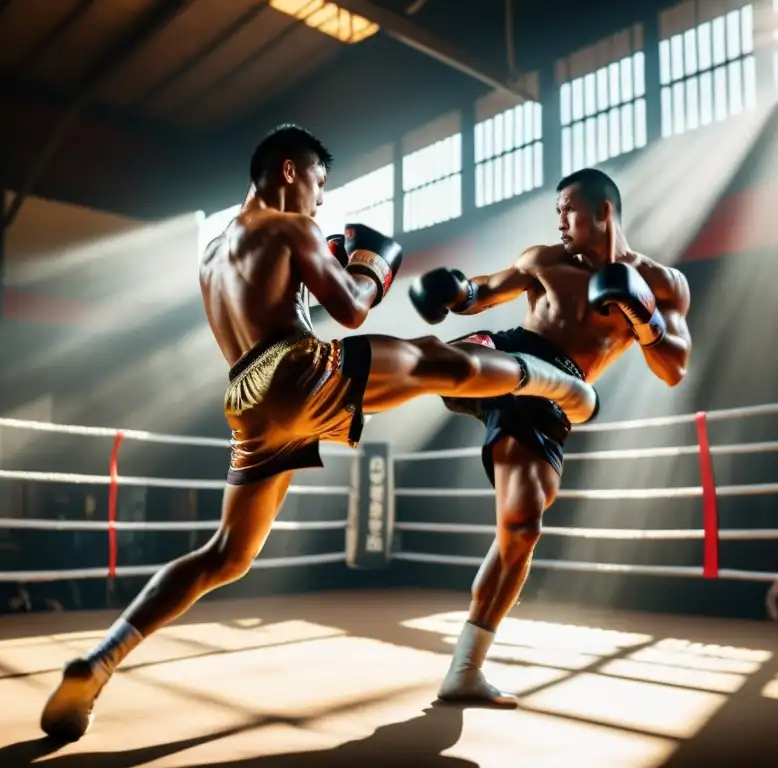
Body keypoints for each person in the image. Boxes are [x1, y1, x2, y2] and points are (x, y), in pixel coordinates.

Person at [39, 124, 598, 741]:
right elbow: (352, 308)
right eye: (318, 183)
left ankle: (99, 662)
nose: (320, 200)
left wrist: (326, 269)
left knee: (225, 555)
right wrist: (370, 266)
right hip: (295, 369)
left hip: (247, 398)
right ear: (288, 170)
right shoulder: (289, 225)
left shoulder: (212, 251)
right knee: (430, 358)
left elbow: (275, 308)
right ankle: (554, 383)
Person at [408, 168, 692, 706]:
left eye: (568, 208)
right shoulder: (544, 261)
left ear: (604, 210)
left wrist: (644, 315)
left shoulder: (660, 283)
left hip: (552, 399)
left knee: (522, 528)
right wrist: (455, 291)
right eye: (556, 210)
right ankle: (352, 383)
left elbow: (674, 367)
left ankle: (465, 671)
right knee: (448, 362)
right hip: (513, 352)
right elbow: (483, 292)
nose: (559, 219)